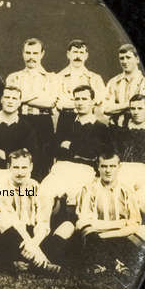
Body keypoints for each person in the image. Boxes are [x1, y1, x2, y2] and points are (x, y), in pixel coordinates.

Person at [0, 149, 71, 273]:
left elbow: (43, 222)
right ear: (9, 167)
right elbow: (15, 223)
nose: (20, 172)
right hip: (13, 237)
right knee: (0, 219)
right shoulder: (1, 188)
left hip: (34, 237)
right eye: (16, 167)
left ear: (31, 167)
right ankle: (42, 263)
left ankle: (27, 262)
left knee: (68, 226)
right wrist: (32, 247)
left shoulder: (38, 187)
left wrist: (34, 245)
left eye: (24, 167)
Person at [40, 85, 108, 220]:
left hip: (85, 170)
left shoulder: (101, 127)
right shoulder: (66, 121)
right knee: (44, 192)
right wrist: (80, 150)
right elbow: (54, 147)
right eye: (77, 99)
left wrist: (70, 145)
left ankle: (71, 232)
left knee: (76, 201)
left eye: (84, 99)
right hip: (60, 167)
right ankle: (42, 230)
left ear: (92, 101)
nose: (80, 102)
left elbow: (93, 153)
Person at [75, 149, 145, 276]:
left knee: (144, 230)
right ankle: (115, 263)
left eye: (112, 166)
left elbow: (135, 222)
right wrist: (121, 223)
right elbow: (85, 221)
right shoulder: (88, 189)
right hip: (96, 236)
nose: (108, 170)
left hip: (114, 238)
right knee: (83, 226)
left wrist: (105, 235)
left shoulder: (127, 191)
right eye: (104, 166)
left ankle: (105, 262)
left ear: (119, 167)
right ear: (98, 167)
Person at [6, 38, 57, 178]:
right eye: (28, 53)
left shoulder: (51, 77)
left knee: (42, 162)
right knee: (19, 161)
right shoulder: (14, 77)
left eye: (35, 53)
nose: (31, 57)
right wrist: (38, 95)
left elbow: (50, 102)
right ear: (23, 53)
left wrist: (22, 98)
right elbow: (11, 101)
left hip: (43, 122)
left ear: (42, 54)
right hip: (21, 121)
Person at [113, 94, 145, 216]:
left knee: (143, 203)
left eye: (140, 108)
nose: (135, 112)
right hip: (123, 170)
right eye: (133, 108)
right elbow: (115, 155)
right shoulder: (121, 132)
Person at [0, 86, 38, 184]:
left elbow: (31, 156)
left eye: (14, 98)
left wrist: (5, 155)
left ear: (20, 102)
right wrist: (18, 155)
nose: (10, 101)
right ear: (1, 100)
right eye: (7, 97)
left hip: (19, 174)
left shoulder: (27, 128)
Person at [55, 39, 106, 127]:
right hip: (66, 119)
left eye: (81, 52)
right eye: (75, 52)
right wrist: (86, 103)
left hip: (89, 121)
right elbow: (59, 103)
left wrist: (70, 103)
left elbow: (100, 101)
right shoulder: (58, 77)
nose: (78, 56)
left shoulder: (95, 78)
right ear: (68, 54)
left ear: (86, 55)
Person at [104, 44, 145, 124]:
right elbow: (106, 109)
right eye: (122, 58)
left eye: (128, 57)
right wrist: (130, 104)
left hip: (136, 129)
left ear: (137, 59)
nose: (124, 61)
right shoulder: (113, 82)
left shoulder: (144, 83)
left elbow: (142, 111)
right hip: (115, 129)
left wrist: (116, 107)